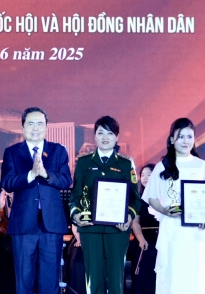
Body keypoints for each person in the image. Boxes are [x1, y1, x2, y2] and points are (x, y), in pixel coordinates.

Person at [141, 117, 205, 294]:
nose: (186, 141)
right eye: (181, 137)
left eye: (189, 137)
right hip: (173, 228)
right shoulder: (162, 166)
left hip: (197, 230)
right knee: (174, 272)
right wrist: (164, 210)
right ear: (172, 139)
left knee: (197, 273)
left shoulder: (202, 166)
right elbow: (152, 197)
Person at [0, 107, 72, 294]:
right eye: (30, 124)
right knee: (24, 279)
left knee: (50, 280)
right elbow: (7, 182)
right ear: (22, 127)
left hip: (51, 223)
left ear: (46, 127)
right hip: (23, 223)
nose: (35, 128)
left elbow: (66, 180)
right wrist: (31, 175)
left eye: (40, 124)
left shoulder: (58, 150)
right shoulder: (12, 152)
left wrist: (46, 174)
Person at [69, 116, 141, 294]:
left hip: (117, 229)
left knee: (116, 281)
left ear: (117, 137)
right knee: (93, 281)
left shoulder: (126, 164)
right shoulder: (83, 162)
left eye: (110, 133)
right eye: (101, 133)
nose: (105, 137)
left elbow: (135, 199)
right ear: (95, 136)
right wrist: (76, 215)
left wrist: (128, 217)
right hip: (90, 228)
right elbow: (75, 196)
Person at [129, 164, 159, 294]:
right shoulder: (138, 200)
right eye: (143, 175)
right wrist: (141, 239)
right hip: (144, 240)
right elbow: (135, 223)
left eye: (149, 174)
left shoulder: (164, 198)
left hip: (162, 239)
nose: (145, 178)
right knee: (144, 276)